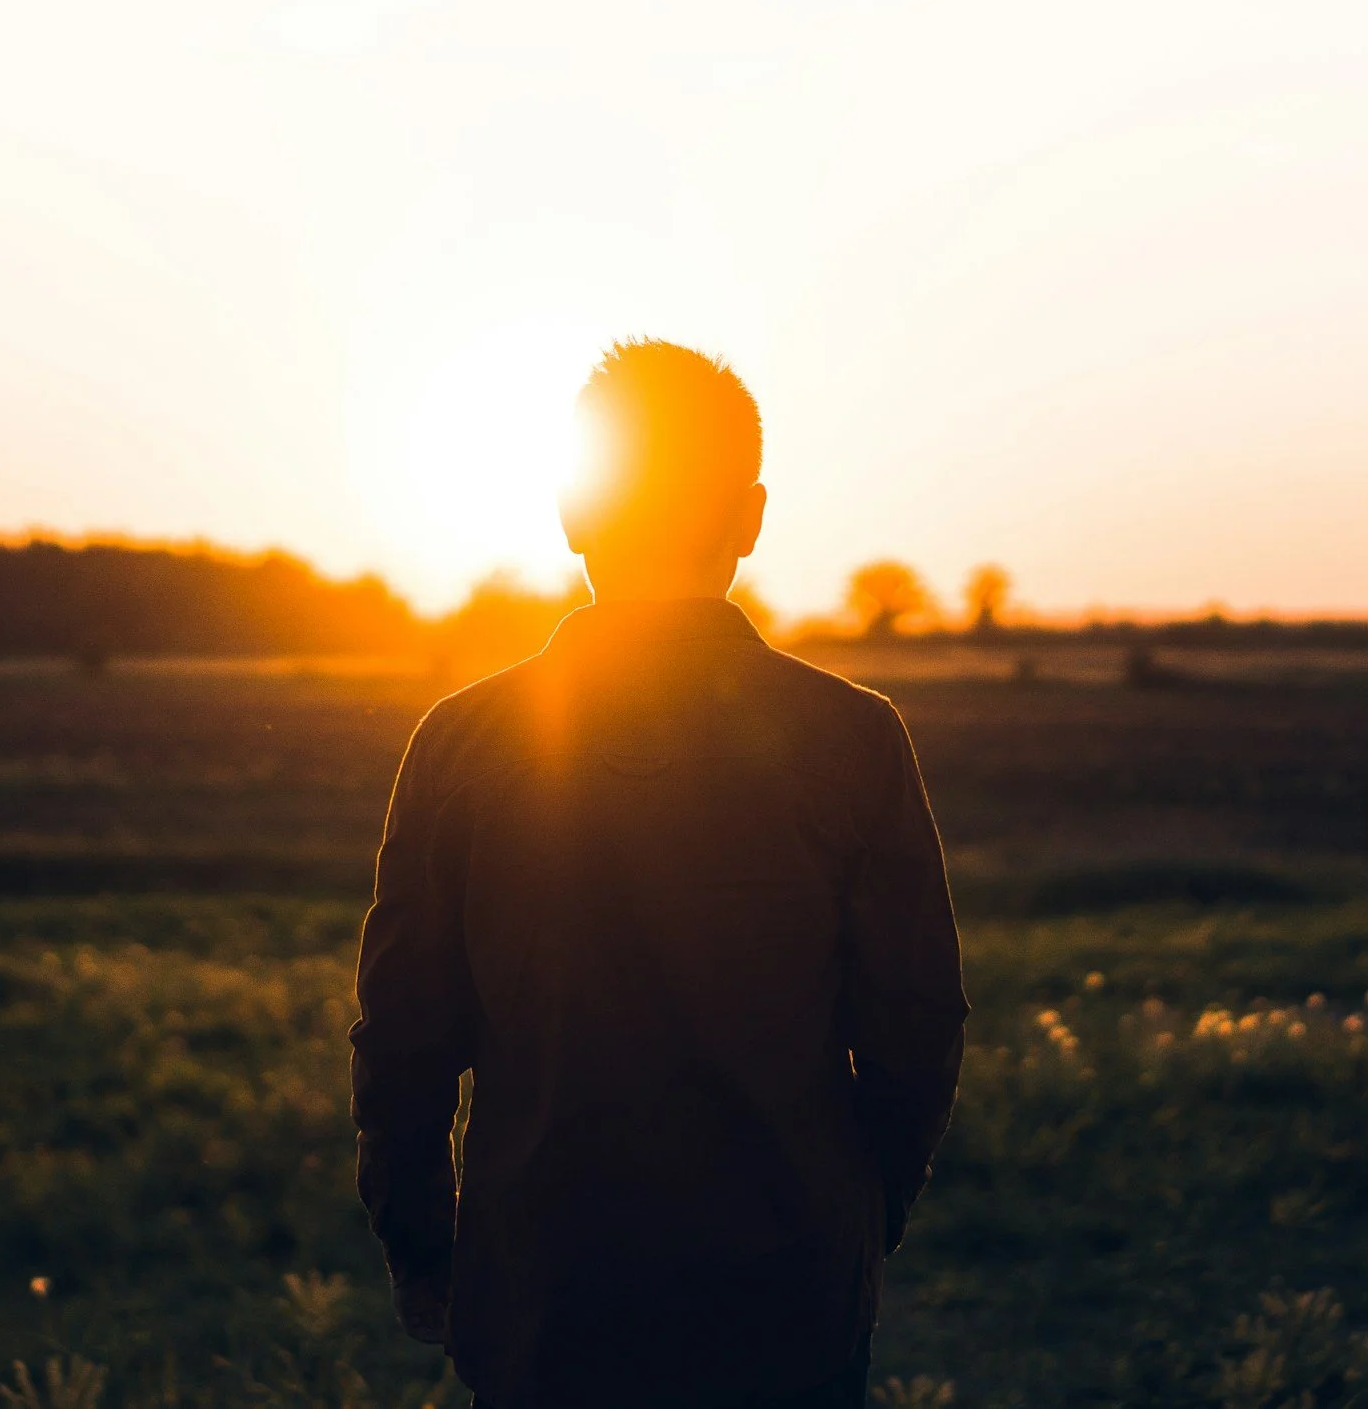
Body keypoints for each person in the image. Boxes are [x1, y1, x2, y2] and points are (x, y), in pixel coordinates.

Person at [351, 339, 970, 1409]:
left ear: (574, 512)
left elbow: (402, 1044)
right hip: (786, 1299)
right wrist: (861, 1222)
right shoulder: (853, 739)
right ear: (750, 516)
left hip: (546, 1299)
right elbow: (917, 1028)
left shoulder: (459, 742)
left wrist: (426, 1257)